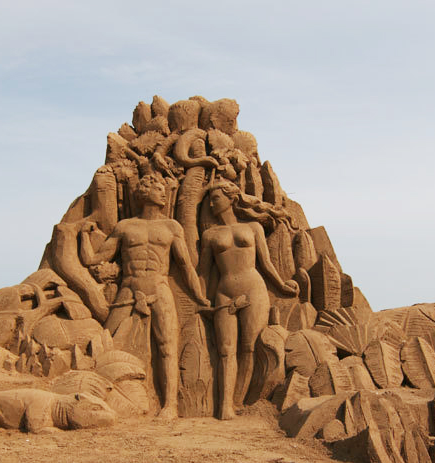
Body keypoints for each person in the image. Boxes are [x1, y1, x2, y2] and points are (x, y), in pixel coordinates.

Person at [80, 173, 210, 419]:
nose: (163, 192)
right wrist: (83, 237)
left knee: (167, 344)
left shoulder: (172, 227)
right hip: (129, 287)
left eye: (163, 188)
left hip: (160, 287)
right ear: (143, 193)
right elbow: (94, 259)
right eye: (157, 188)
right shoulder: (125, 226)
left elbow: (185, 267)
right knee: (108, 338)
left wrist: (200, 297)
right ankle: (99, 396)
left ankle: (170, 405)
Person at [198, 179, 298, 419]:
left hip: (254, 289)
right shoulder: (210, 235)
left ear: (231, 198)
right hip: (224, 291)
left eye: (217, 198)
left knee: (249, 347)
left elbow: (265, 263)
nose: (212, 203)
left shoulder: (253, 228)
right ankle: (224, 406)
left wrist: (282, 285)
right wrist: (202, 299)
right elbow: (204, 273)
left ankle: (238, 400)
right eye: (210, 200)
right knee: (225, 350)